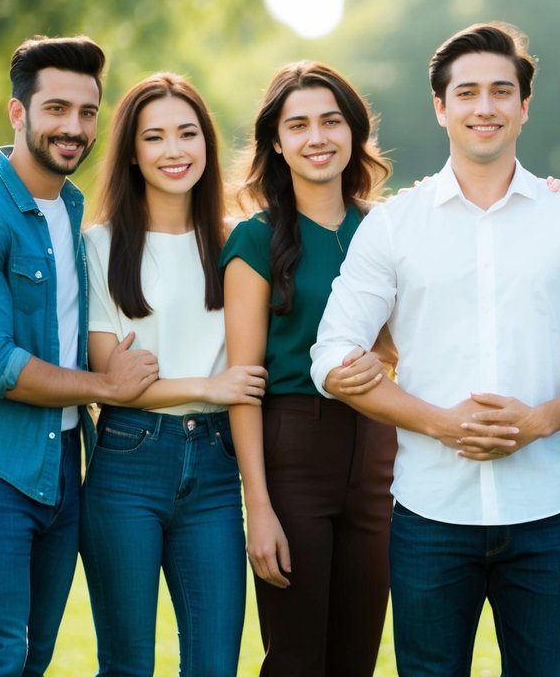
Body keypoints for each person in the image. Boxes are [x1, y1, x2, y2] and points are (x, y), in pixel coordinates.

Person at [311, 23, 560, 676]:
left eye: (501, 91)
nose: (484, 107)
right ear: (440, 107)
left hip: (548, 508)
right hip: (430, 511)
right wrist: (440, 423)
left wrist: (539, 422)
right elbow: (331, 356)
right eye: (466, 93)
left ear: (524, 105)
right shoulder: (393, 226)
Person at [0, 35, 159, 675]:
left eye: (87, 112)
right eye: (56, 109)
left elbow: (37, 333)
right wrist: (106, 388)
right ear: (17, 112)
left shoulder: (72, 207)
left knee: (35, 659)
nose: (74, 128)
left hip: (62, 468)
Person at [78, 73, 267, 675]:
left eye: (187, 133)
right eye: (154, 137)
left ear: (208, 144)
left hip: (215, 469)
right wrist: (208, 385)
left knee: (215, 664)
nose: (174, 150)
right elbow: (115, 378)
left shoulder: (237, 242)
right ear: (132, 153)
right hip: (128, 461)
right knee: (127, 663)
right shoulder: (99, 246)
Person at [221, 61, 396, 676]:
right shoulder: (254, 240)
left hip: (379, 451)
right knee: (296, 659)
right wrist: (259, 508)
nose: (316, 137)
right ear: (276, 140)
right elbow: (244, 384)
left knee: (357, 659)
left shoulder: (387, 229)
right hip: (293, 449)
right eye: (298, 125)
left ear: (353, 132)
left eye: (330, 121)